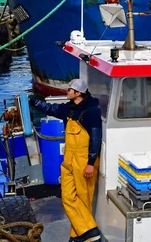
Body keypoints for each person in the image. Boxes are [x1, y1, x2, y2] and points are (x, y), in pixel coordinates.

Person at [29, 79, 103, 242]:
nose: (67, 92)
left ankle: (78, 236)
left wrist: (91, 163)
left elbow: (96, 138)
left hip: (84, 161)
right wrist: (32, 101)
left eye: (70, 90)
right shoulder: (68, 108)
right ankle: (90, 231)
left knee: (84, 199)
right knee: (67, 197)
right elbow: (50, 108)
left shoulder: (92, 111)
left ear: (78, 93)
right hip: (68, 160)